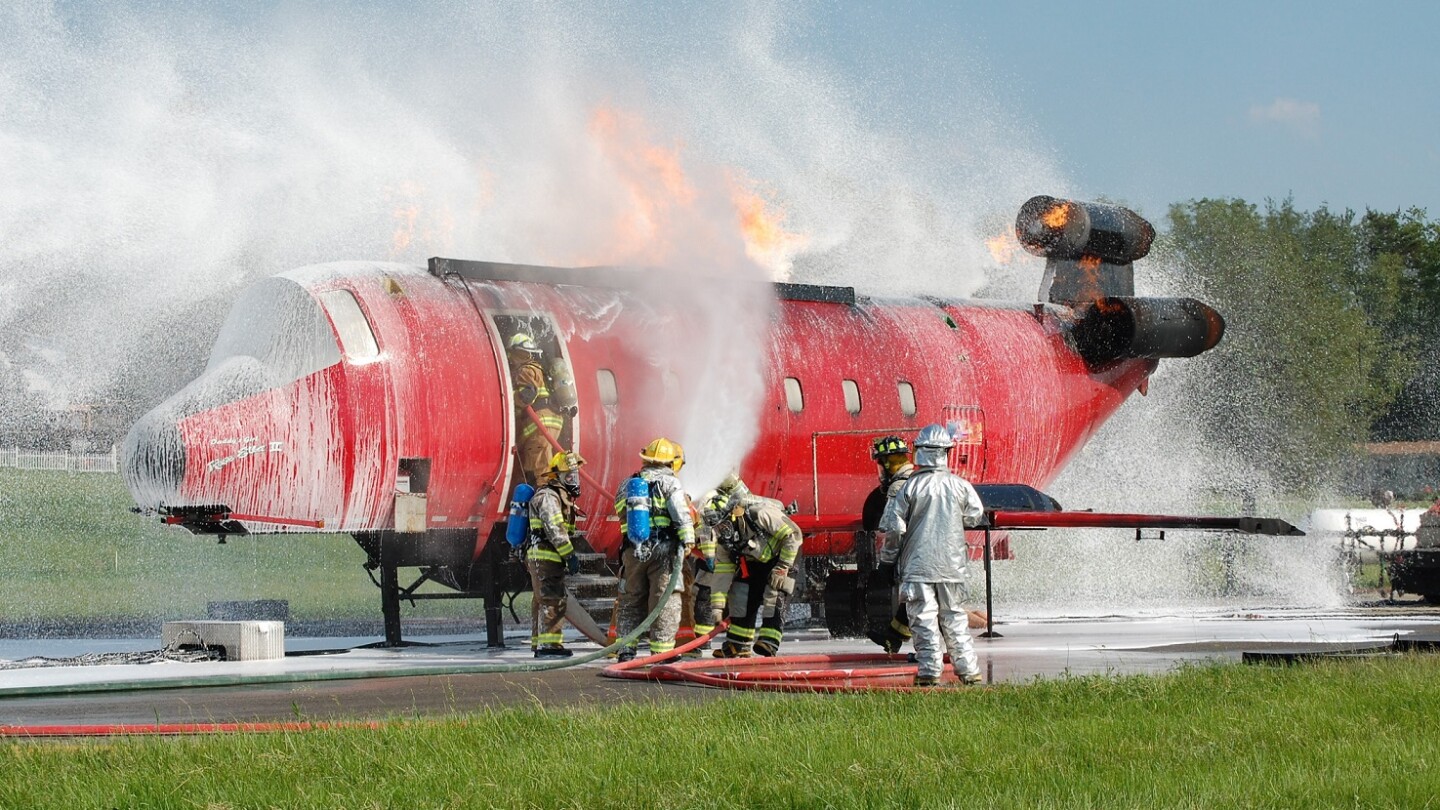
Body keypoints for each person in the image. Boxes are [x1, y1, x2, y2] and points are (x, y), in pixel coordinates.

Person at [879, 424, 986, 687]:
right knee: (955, 618)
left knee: (923, 620)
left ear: (919, 452)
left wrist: (887, 561)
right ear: (946, 452)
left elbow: (894, 528)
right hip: (952, 566)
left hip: (918, 567)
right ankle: (969, 671)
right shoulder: (960, 485)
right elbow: (974, 516)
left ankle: (929, 672)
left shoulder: (910, 487)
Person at [611, 438, 695, 661]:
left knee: (631, 600)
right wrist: (688, 541)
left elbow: (621, 513)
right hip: (664, 551)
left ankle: (626, 651)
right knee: (664, 600)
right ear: (668, 463)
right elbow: (681, 514)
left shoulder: (627, 484)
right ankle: (662, 651)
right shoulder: (670, 483)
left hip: (633, 551)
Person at [710, 474, 803, 658]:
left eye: (724, 524)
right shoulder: (724, 540)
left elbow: (793, 535)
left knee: (774, 593)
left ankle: (769, 642)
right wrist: (717, 607)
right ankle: (738, 644)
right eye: (717, 527)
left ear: (734, 513)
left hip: (783, 555)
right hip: (754, 560)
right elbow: (722, 572)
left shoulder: (760, 514)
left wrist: (783, 567)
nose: (722, 531)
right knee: (740, 593)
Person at [527, 451, 586, 658]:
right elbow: (555, 529)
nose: (573, 481)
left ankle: (540, 644)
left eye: (575, 476)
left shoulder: (556, 496)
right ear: (556, 477)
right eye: (569, 477)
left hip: (547, 557)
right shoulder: (548, 497)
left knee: (544, 599)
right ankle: (549, 646)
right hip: (545, 556)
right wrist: (569, 555)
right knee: (551, 599)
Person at [862, 435, 916, 654]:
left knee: (924, 604)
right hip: (944, 555)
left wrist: (886, 563)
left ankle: (930, 667)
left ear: (887, 463)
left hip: (917, 554)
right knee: (924, 599)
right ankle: (893, 638)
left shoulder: (898, 488)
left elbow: (894, 529)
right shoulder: (919, 480)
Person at [507, 333, 565, 486]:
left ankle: (546, 502)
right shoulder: (539, 369)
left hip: (539, 423)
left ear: (519, 352)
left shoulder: (526, 370)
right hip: (551, 422)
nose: (511, 358)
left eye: (513, 354)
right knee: (545, 464)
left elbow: (527, 396)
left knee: (540, 470)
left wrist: (507, 395)